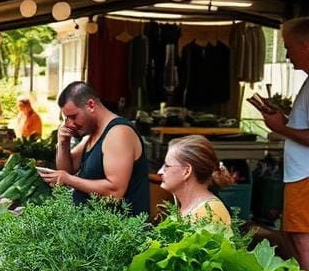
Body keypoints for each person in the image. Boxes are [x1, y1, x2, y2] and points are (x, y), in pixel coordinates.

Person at [39, 81, 149, 216]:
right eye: (66, 118)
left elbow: (115, 192)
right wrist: (63, 143)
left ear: (91, 105)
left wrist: (68, 179)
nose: (70, 123)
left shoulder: (118, 133)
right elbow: (67, 170)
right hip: (93, 228)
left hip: (119, 231)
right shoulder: (92, 134)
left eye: (73, 117)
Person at [259, 17, 309, 270]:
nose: (287, 54)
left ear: (307, 45)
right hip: (299, 175)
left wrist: (282, 128)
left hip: (305, 176)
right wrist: (283, 121)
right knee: (292, 236)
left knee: (302, 240)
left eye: (289, 47)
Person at [159, 135, 232, 227]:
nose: (160, 172)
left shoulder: (211, 213)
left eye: (167, 166)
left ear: (186, 171)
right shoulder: (185, 207)